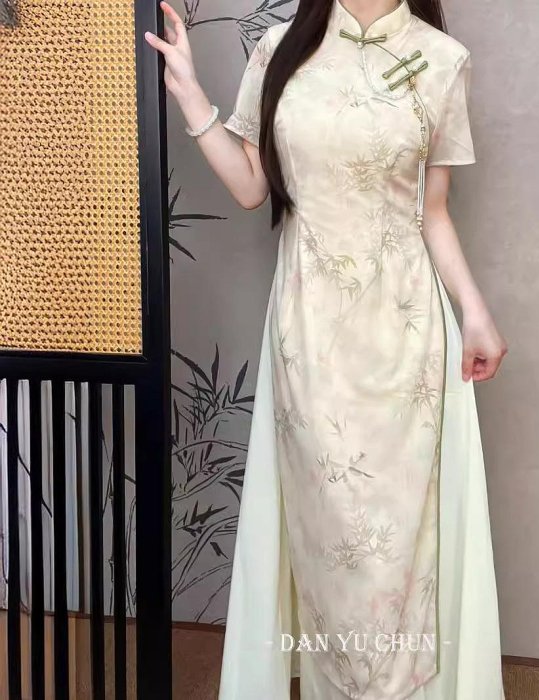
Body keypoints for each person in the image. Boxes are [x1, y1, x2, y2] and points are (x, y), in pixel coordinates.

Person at [146, 0, 507, 697]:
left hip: (408, 344)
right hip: (309, 340)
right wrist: (191, 94)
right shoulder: (280, 50)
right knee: (329, 541)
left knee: (402, 543)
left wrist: (476, 312)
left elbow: (433, 212)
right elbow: (252, 187)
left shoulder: (441, 59)